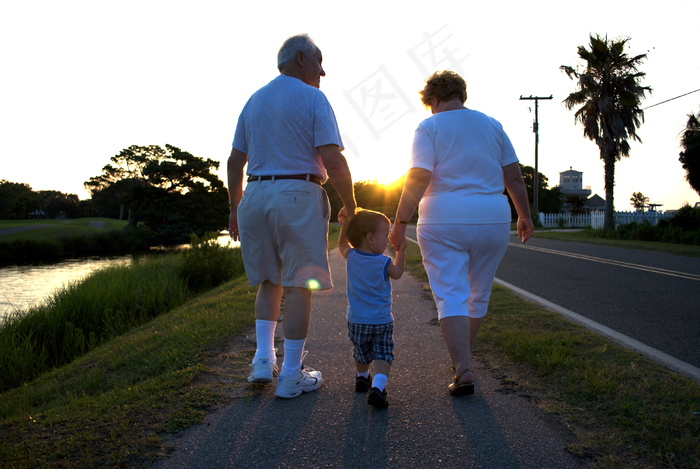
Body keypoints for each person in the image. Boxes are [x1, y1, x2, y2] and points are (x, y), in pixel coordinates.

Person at [227, 34, 356, 399]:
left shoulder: (254, 101)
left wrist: (235, 206)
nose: (323, 71)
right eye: (319, 61)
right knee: (301, 283)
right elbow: (333, 159)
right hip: (297, 192)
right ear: (301, 59)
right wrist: (351, 203)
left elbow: (235, 161)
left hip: (254, 195)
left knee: (270, 280)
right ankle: (291, 376)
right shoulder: (313, 98)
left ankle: (263, 362)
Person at [389, 71, 533, 396]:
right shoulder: (492, 125)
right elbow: (513, 177)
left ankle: (463, 367)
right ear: (461, 95)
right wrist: (524, 215)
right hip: (494, 216)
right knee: (477, 294)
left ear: (434, 100)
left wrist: (399, 224)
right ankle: (462, 360)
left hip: (444, 216)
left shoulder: (430, 126)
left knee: (449, 293)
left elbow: (419, 176)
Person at [338, 208, 406, 408]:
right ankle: (377, 387)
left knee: (361, 352)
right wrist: (400, 252)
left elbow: (341, 243)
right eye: (384, 236)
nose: (387, 240)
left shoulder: (350, 255)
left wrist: (343, 224)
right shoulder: (384, 261)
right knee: (383, 354)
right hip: (381, 320)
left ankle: (361, 377)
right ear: (369, 238)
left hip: (357, 319)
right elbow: (398, 273)